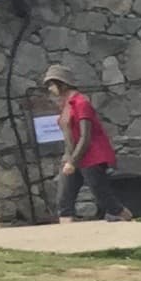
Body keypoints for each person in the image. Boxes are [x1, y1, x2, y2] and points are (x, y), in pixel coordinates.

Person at [43, 69, 119, 221]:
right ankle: (67, 236)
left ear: (62, 85)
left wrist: (72, 161)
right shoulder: (66, 105)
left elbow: (85, 137)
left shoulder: (81, 103)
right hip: (72, 157)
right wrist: (68, 159)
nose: (50, 89)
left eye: (52, 84)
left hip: (91, 157)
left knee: (104, 198)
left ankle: (127, 220)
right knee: (63, 201)